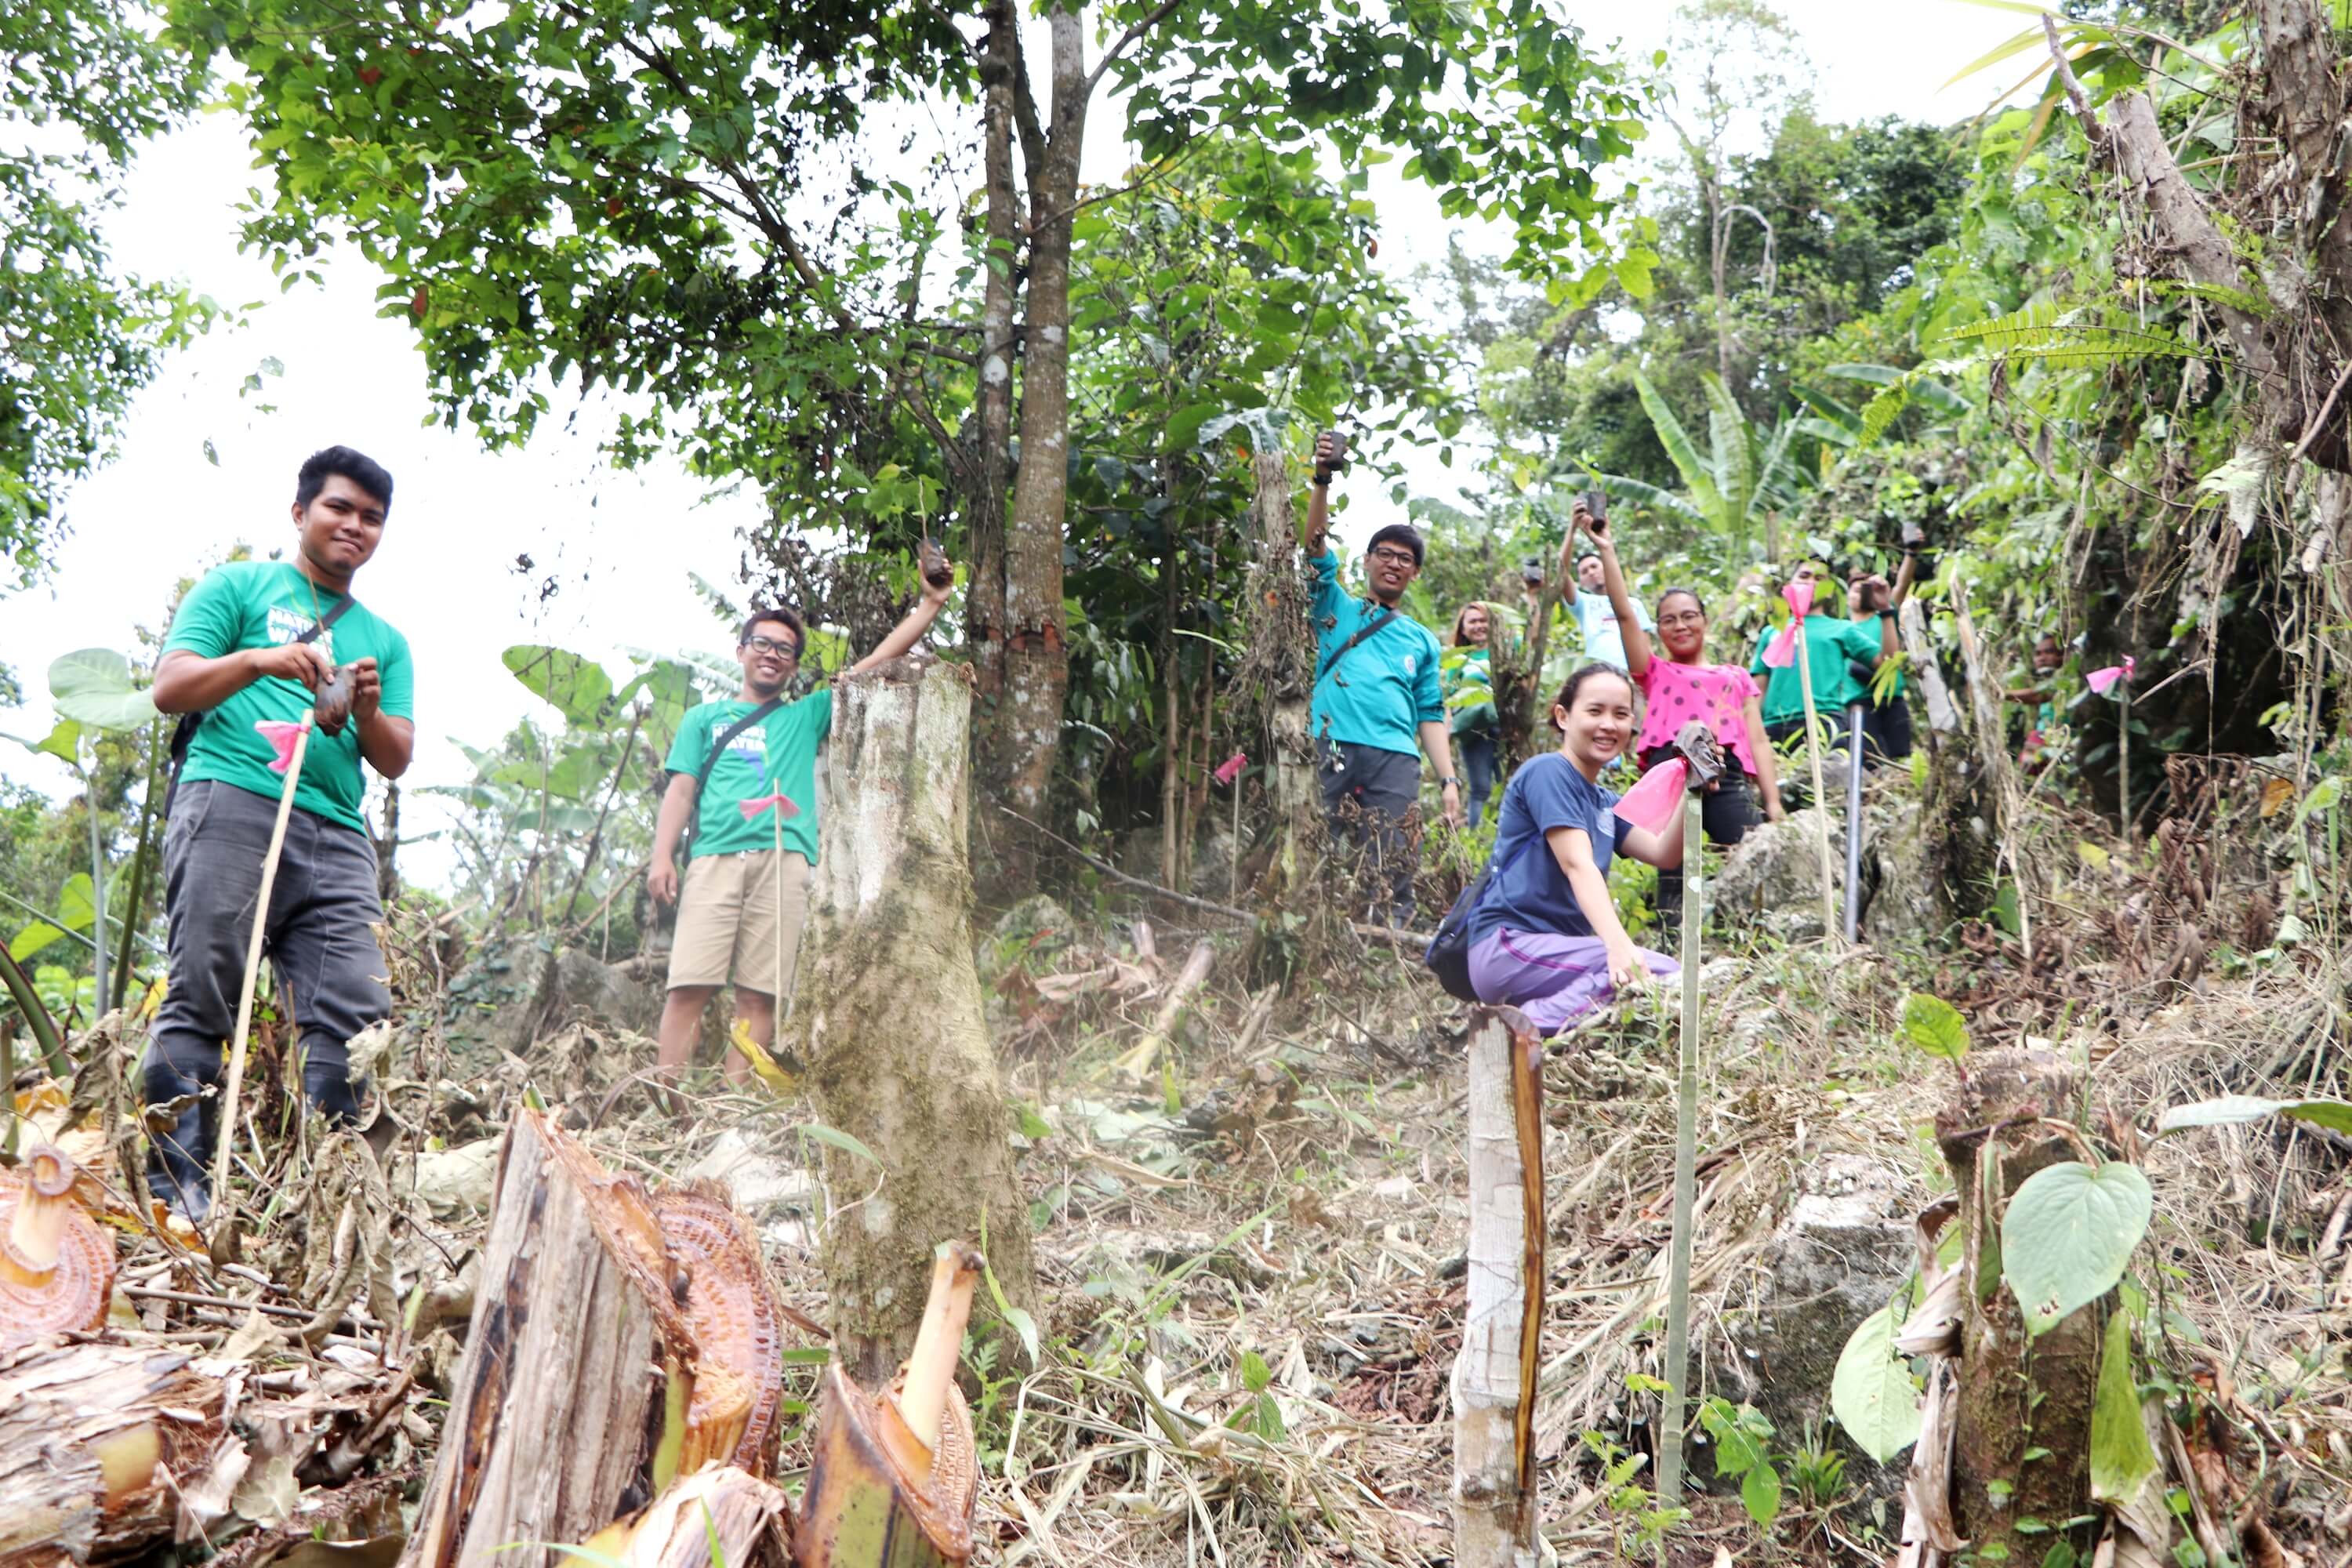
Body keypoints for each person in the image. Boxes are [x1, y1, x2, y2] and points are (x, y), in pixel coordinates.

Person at [143, 446, 416, 1221]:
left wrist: (362, 709)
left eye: (371, 517)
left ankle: (330, 1213)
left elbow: (394, 756)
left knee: (356, 1016)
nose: (354, 526)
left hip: (336, 832)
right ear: (300, 513)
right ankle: (178, 1198)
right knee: (202, 997)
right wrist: (263, 659)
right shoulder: (238, 585)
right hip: (232, 799)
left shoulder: (385, 638)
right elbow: (170, 686)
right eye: (340, 507)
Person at [647, 565, 954, 1084]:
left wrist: (930, 606)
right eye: (762, 644)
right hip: (714, 859)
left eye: (784, 650)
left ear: (793, 668)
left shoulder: (805, 715)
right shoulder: (706, 718)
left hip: (785, 860)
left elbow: (877, 663)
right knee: (689, 988)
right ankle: (666, 1105)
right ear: (742, 651)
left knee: (758, 993)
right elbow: (680, 789)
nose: (771, 654)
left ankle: (731, 1114)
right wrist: (662, 858)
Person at [1577, 505, 1783, 932]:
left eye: (1689, 616)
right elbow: (1627, 614)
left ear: (1705, 621)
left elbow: (1758, 741)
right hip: (1668, 770)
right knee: (1672, 869)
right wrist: (1607, 550)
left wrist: (1774, 801)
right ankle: (1673, 944)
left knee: (1748, 854)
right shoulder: (1654, 671)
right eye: (1668, 620)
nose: (1680, 626)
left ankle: (1751, 941)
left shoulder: (1735, 676)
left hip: (1725, 774)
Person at [1464, 665, 1684, 1036]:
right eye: (1595, 711)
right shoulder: (1549, 772)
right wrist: (1617, 946)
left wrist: (1693, 792)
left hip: (1556, 954)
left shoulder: (1604, 802)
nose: (1609, 725)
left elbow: (1664, 853)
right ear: (1563, 717)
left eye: (1620, 714)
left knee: (1658, 973)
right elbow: (1578, 864)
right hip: (1509, 945)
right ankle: (1514, 1030)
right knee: (1654, 969)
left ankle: (1529, 1024)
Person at [1302, 431, 1461, 925]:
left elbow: (1430, 713)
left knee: (1394, 858)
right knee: (1315, 846)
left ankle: (1390, 943)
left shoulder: (1422, 640)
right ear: (1368, 561)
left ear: (1415, 574)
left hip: (1395, 756)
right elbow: (1314, 549)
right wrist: (1322, 479)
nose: (1394, 563)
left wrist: (1449, 778)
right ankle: (1314, 929)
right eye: (1385, 554)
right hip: (1330, 742)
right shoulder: (1335, 606)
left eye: (1405, 559)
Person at [1751, 561, 1900, 760]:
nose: (1811, 582)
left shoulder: (1842, 629)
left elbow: (1887, 663)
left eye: (1820, 579)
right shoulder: (1771, 632)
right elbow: (1756, 691)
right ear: (1790, 584)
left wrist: (1885, 609)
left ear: (1829, 592)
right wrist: (1750, 734)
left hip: (1825, 722)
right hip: (1775, 727)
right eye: (1804, 576)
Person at [1845, 544, 1921, 767]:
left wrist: (1911, 553)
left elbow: (1902, 585)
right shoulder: (1842, 629)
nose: (1861, 594)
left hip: (1892, 699)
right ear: (1847, 596)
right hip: (1859, 701)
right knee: (1865, 760)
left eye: (1865, 590)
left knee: (1901, 758)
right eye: (1856, 590)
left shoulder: (1884, 617)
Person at [1444, 603, 1502, 829]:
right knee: (1480, 789)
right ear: (1463, 629)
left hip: (1504, 726)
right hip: (1474, 730)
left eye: (1482, 620)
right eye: (1472, 622)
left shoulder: (1503, 648)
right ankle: (1478, 837)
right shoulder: (1459, 660)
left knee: (1510, 783)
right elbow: (1450, 700)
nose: (1478, 626)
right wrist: (1446, 737)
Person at [1568, 549, 1655, 670]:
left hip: (1632, 671)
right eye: (1584, 572)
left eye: (1594, 566)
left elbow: (1647, 647)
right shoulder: (1582, 603)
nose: (1591, 573)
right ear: (1581, 582)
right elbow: (1562, 575)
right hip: (1599, 673)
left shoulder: (1635, 604)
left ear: (1606, 567)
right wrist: (1571, 532)